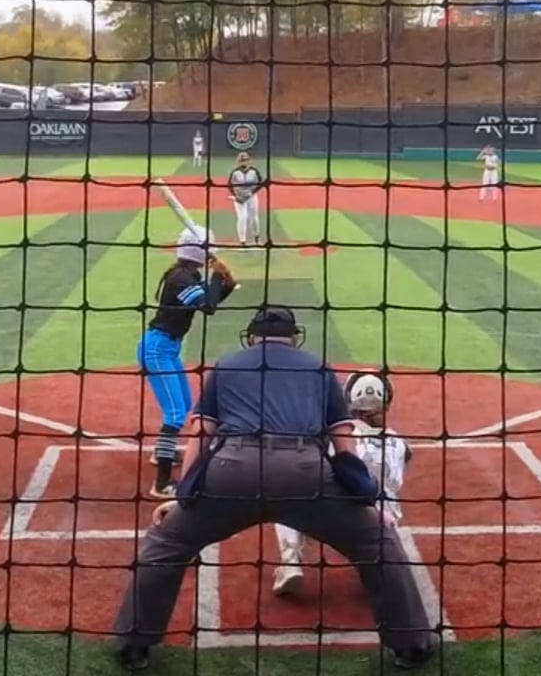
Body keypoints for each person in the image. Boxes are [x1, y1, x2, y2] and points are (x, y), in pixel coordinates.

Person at [112, 306, 438, 671]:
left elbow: (201, 436)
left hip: (232, 472)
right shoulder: (318, 367)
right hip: (304, 473)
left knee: (165, 544)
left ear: (252, 336)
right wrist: (365, 497)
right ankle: (412, 645)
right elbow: (343, 444)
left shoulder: (227, 364)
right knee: (377, 543)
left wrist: (184, 496)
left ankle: (133, 645)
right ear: (294, 337)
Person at [273, 369, 412, 596]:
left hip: (335, 514)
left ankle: (290, 561)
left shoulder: (337, 435)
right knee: (386, 504)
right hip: (379, 524)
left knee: (287, 497)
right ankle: (378, 566)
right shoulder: (400, 443)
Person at [138, 227, 238, 498]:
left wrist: (226, 284)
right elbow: (208, 306)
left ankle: (163, 453)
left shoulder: (187, 275)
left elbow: (210, 300)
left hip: (168, 348)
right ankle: (161, 484)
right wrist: (217, 276)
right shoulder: (180, 278)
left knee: (183, 406)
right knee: (174, 414)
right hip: (157, 350)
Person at [227, 151, 265, 246]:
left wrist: (251, 193)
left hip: (251, 197)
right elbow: (229, 185)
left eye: (245, 160)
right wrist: (236, 196)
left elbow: (260, 183)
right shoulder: (235, 172)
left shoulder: (254, 171)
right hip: (239, 198)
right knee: (242, 218)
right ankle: (242, 241)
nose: (243, 163)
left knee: (254, 218)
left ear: (249, 161)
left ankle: (256, 237)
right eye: (241, 161)